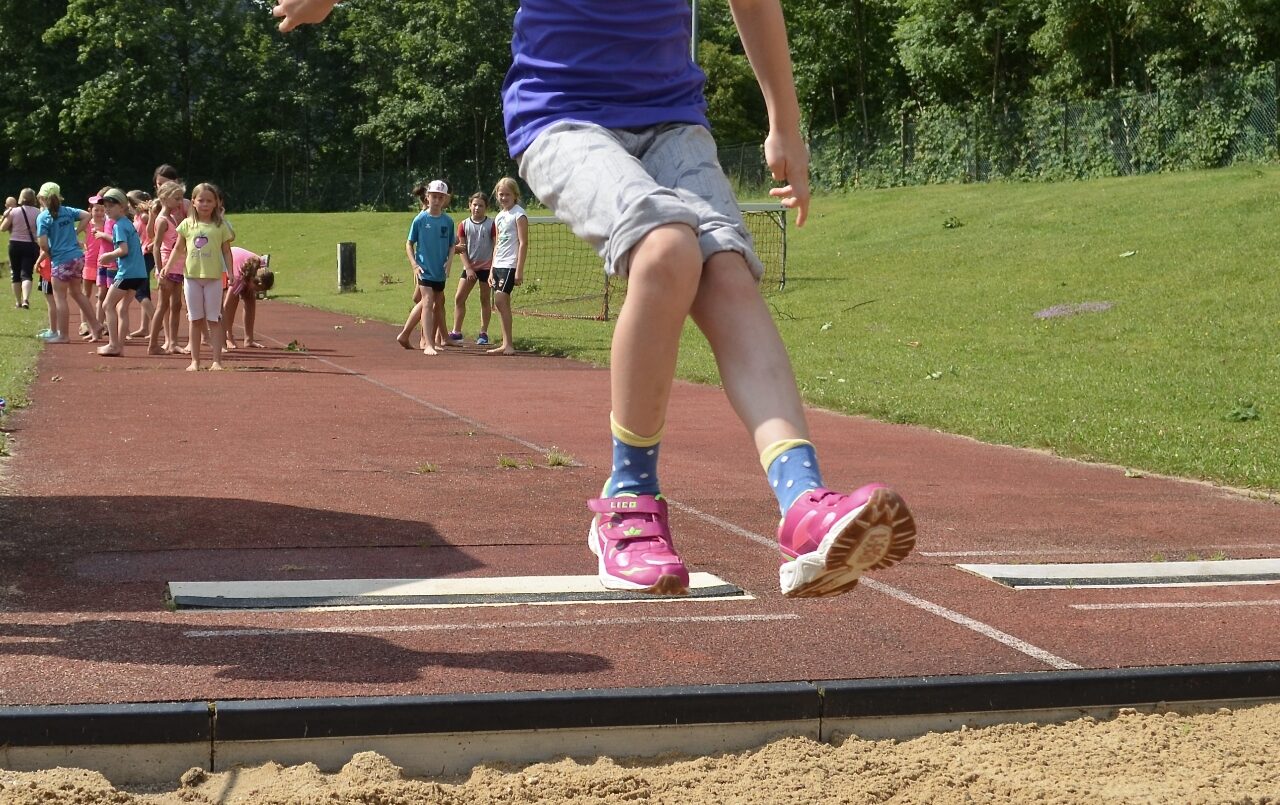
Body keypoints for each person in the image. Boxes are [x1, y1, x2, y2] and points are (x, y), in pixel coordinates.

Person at [273, 0, 917, 599]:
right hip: (562, 116)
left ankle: (803, 502)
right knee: (667, 248)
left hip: (674, 122)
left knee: (727, 273)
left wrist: (785, 125)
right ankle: (628, 499)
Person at [161, 182, 233, 371]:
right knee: (195, 319)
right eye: (201, 200)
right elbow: (178, 248)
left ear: (216, 203)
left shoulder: (220, 226)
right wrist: (167, 266)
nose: (205, 204)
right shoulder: (187, 224)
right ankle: (195, 361)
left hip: (213, 278)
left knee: (214, 319)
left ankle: (217, 361)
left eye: (209, 201)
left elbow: (226, 251)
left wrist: (231, 272)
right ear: (193, 202)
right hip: (192, 277)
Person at [34, 182, 101, 344]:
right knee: (77, 293)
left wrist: (51, 253)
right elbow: (87, 215)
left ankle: (63, 335)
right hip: (77, 257)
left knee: (60, 298)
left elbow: (43, 243)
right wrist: (75, 232)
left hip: (61, 259)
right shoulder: (67, 211)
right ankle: (95, 324)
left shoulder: (43, 217)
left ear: (42, 198)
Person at [395, 179, 455, 356]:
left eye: (440, 197)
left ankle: (405, 334)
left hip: (440, 270)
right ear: (427, 197)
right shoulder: (420, 219)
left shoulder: (448, 221)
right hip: (424, 269)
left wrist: (450, 262)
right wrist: (414, 265)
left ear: (445, 199)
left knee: (434, 302)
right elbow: (409, 243)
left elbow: (452, 244)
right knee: (428, 301)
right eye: (434, 196)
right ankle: (428, 343)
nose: (436, 200)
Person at [92, 189, 147, 357]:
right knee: (122, 308)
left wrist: (108, 255)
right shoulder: (127, 223)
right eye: (106, 206)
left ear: (122, 207)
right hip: (139, 273)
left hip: (127, 273)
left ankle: (113, 344)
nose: (107, 209)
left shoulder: (119, 226)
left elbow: (123, 250)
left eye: (111, 206)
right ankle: (119, 347)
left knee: (107, 305)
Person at [449, 191, 495, 347]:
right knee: (459, 298)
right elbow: (461, 248)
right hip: (470, 266)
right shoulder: (463, 225)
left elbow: (496, 245)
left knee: (484, 299)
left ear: (486, 207)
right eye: (474, 205)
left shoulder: (491, 224)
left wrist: (493, 268)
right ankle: (456, 331)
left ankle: (483, 332)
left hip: (486, 267)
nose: (477, 208)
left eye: (481, 205)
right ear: (469, 205)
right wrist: (468, 268)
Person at [486, 177, 526, 356]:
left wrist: (519, 270)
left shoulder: (519, 214)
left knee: (500, 300)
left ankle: (509, 344)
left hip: (510, 263)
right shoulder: (499, 217)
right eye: (501, 194)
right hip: (498, 263)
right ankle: (505, 343)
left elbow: (523, 243)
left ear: (515, 195)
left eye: (507, 194)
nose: (503, 198)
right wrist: (492, 268)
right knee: (500, 303)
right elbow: (497, 244)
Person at [148, 180, 186, 354]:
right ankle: (153, 344)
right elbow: (156, 246)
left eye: (181, 198)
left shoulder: (173, 217)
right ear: (164, 198)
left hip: (178, 266)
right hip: (167, 267)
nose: (180, 202)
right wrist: (159, 270)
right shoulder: (162, 220)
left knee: (176, 304)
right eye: (176, 198)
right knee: (163, 305)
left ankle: (173, 342)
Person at [223, 246, 274, 349]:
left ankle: (249, 339)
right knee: (233, 300)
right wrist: (228, 335)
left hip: (242, 264)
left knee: (250, 299)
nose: (258, 292)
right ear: (252, 281)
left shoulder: (262, 268)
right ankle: (227, 336)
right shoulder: (238, 279)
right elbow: (226, 307)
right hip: (224, 261)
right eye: (257, 289)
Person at [2, 188, 40, 310]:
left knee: (16, 274)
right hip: (31, 245)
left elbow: (3, 228)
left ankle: (18, 302)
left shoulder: (14, 211)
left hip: (15, 244)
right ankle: (25, 299)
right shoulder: (38, 212)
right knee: (27, 273)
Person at [125, 189, 155, 339]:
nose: (127, 206)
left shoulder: (144, 216)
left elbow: (156, 230)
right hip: (141, 255)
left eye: (129, 203)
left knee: (139, 291)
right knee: (145, 289)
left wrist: (152, 243)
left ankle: (155, 320)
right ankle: (144, 327)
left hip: (146, 255)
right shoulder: (137, 216)